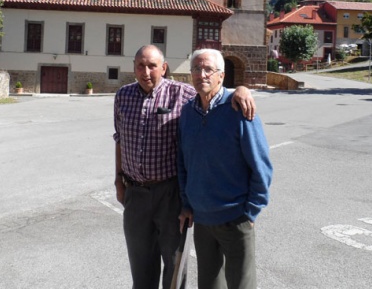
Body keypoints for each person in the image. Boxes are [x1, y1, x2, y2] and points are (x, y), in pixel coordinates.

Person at [113, 44, 256, 289]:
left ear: (164, 68)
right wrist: (118, 179)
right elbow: (119, 139)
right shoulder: (123, 96)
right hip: (134, 194)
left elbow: (211, 90)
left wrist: (240, 90)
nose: (146, 72)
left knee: (175, 266)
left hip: (170, 194)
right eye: (140, 66)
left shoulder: (182, 94)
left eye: (152, 66)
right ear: (134, 68)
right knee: (141, 267)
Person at [177, 48, 272, 289]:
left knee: (241, 285)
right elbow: (183, 162)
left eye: (208, 69)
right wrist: (187, 203)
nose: (202, 74)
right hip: (202, 219)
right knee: (208, 285)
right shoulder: (187, 112)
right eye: (196, 69)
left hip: (236, 218)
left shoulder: (239, 109)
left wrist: (251, 211)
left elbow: (261, 165)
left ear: (221, 75)